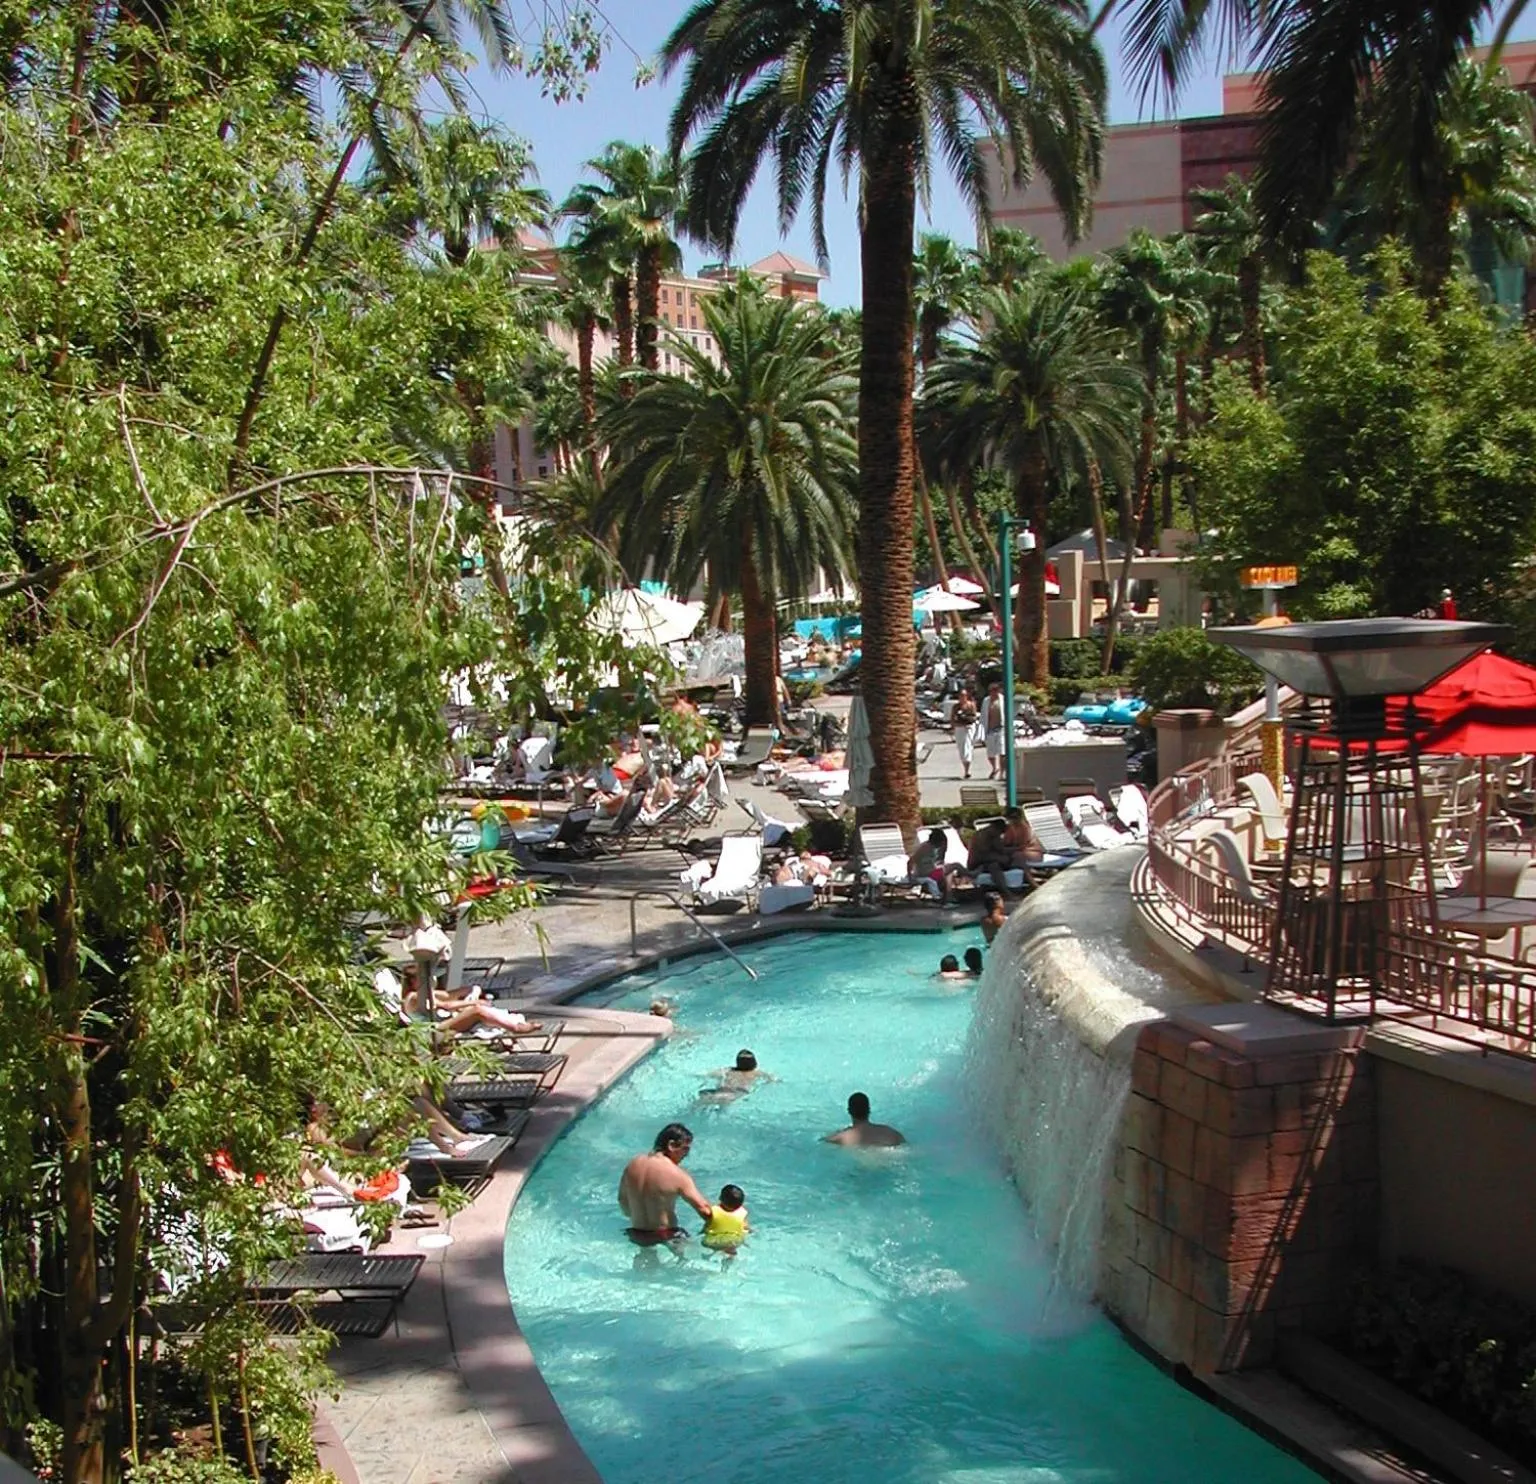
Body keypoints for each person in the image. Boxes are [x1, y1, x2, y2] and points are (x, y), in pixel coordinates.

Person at [618, 1123, 713, 1245]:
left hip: (636, 1234)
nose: (686, 1155)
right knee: (687, 1258)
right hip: (666, 1235)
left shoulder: (632, 1165)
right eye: (685, 1149)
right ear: (672, 1145)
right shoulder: (677, 1174)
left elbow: (623, 1202)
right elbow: (704, 1210)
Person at [824, 1092, 905, 1147]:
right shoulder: (891, 1133)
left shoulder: (841, 1137)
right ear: (869, 1110)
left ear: (849, 1111)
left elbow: (822, 1142)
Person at [697, 1049, 775, 1105]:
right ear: (754, 1063)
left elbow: (706, 1074)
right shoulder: (756, 1073)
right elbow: (772, 1079)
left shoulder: (728, 1070)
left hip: (719, 1091)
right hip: (735, 1094)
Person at [907, 828, 954, 903]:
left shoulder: (931, 847)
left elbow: (930, 862)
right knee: (950, 870)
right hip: (925, 873)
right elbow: (910, 862)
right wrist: (910, 878)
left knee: (951, 867)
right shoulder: (924, 848)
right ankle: (948, 898)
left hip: (930, 871)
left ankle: (948, 897)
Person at [701, 1183, 750, 1254]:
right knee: (732, 1248)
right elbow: (745, 1227)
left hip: (713, 1241)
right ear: (740, 1204)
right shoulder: (742, 1213)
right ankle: (730, 1258)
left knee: (709, 1246)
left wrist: (702, 1232)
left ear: (720, 1198)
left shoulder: (713, 1211)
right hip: (734, 1240)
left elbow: (707, 1227)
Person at [950, 687, 979, 780]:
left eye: (964, 695)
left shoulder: (971, 705)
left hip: (969, 728)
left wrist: (967, 719)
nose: (962, 697)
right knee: (961, 748)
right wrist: (954, 726)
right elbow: (952, 718)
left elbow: (974, 717)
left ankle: (967, 770)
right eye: (961, 695)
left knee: (967, 746)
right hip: (959, 728)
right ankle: (965, 767)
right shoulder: (956, 707)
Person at [982, 683, 1007, 780]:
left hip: (1001, 729)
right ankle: (994, 768)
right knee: (990, 753)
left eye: (995, 690)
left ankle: (1002, 773)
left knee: (1002, 752)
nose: (993, 692)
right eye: (992, 690)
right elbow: (983, 716)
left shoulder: (1003, 700)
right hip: (990, 730)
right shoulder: (986, 701)